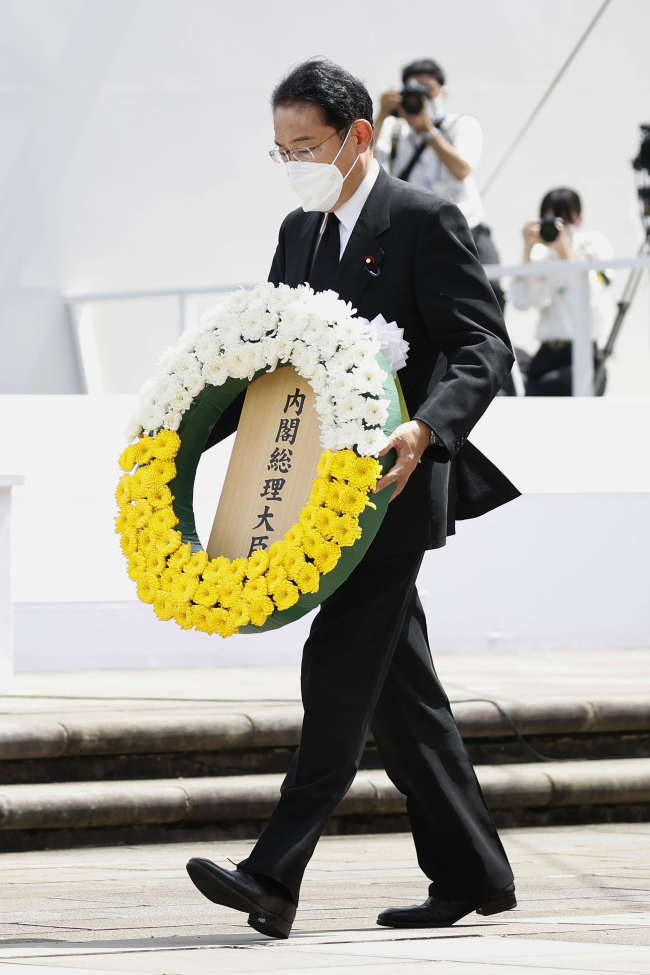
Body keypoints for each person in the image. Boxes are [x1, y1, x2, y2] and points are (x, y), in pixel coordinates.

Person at [187, 57, 519, 940]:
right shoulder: (299, 233)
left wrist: (428, 428)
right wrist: (178, 440)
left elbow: (485, 344)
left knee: (336, 666)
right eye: (280, 148)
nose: (293, 161)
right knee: (401, 693)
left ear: (358, 135)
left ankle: (273, 874)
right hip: (320, 491)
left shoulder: (422, 221)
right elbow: (266, 361)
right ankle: (473, 872)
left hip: (395, 486)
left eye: (307, 145)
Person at [375, 58, 505, 310]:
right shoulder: (394, 131)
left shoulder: (461, 125)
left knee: (492, 292)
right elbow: (367, 166)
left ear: (442, 93)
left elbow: (462, 169)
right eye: (414, 90)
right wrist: (380, 114)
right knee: (426, 301)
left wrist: (428, 130)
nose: (421, 97)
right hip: (418, 233)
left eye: (428, 90)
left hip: (466, 228)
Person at [510, 188, 614, 395]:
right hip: (547, 351)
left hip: (583, 352)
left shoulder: (591, 244)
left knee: (552, 387)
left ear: (580, 219)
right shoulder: (541, 254)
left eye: (563, 220)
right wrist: (527, 250)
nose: (557, 229)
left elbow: (589, 299)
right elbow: (522, 301)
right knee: (505, 377)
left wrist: (564, 251)